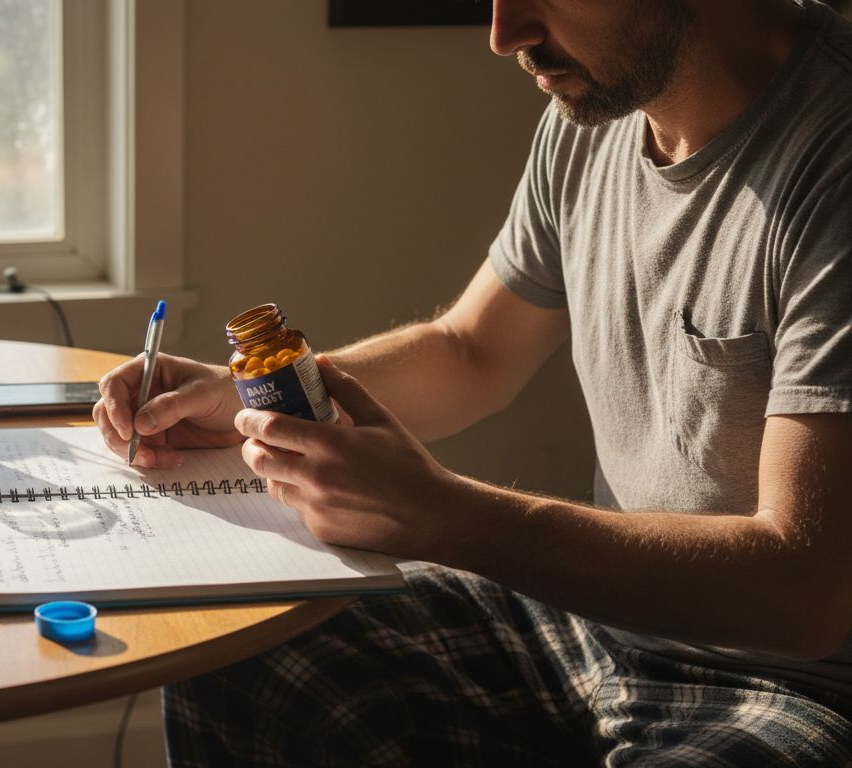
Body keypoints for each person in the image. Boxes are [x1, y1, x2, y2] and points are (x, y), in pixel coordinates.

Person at [94, 0, 852, 764]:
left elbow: (803, 596)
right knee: (241, 653)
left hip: (794, 688)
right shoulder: (593, 117)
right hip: (598, 633)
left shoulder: (834, 153)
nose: (505, 35)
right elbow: (471, 350)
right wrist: (249, 398)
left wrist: (445, 515)